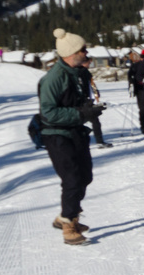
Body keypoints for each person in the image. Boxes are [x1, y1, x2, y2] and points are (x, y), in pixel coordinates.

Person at [39, 29, 104, 245]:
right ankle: (69, 225)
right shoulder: (54, 78)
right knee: (72, 179)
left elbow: (77, 99)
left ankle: (67, 215)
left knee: (85, 177)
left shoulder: (79, 73)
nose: (86, 52)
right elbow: (48, 112)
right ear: (71, 53)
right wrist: (80, 113)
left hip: (76, 131)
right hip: (57, 134)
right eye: (82, 50)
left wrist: (88, 108)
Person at [126, 50, 144, 131]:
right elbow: (130, 76)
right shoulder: (136, 65)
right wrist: (131, 86)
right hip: (139, 89)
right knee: (143, 108)